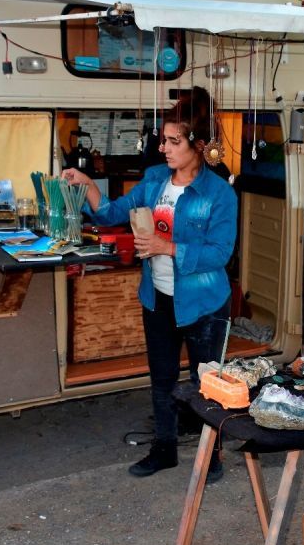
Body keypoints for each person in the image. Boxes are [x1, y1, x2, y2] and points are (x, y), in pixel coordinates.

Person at [62, 104, 237, 482]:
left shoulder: (219, 193)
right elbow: (111, 213)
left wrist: (166, 247)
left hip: (205, 304)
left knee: (207, 384)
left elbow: (220, 253)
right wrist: (88, 184)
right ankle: (165, 449)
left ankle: (212, 456)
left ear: (198, 145)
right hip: (158, 297)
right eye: (163, 140)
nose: (163, 148)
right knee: (162, 379)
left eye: (174, 141)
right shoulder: (155, 179)